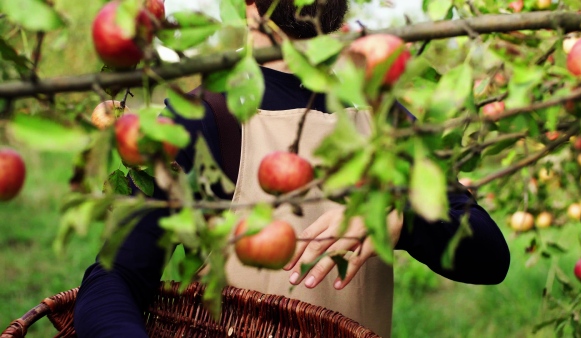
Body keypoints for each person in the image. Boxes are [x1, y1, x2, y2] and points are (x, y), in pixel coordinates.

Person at [73, 1, 510, 337]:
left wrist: (401, 219)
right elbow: (113, 281)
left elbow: (491, 259)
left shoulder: (383, 119)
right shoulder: (200, 120)